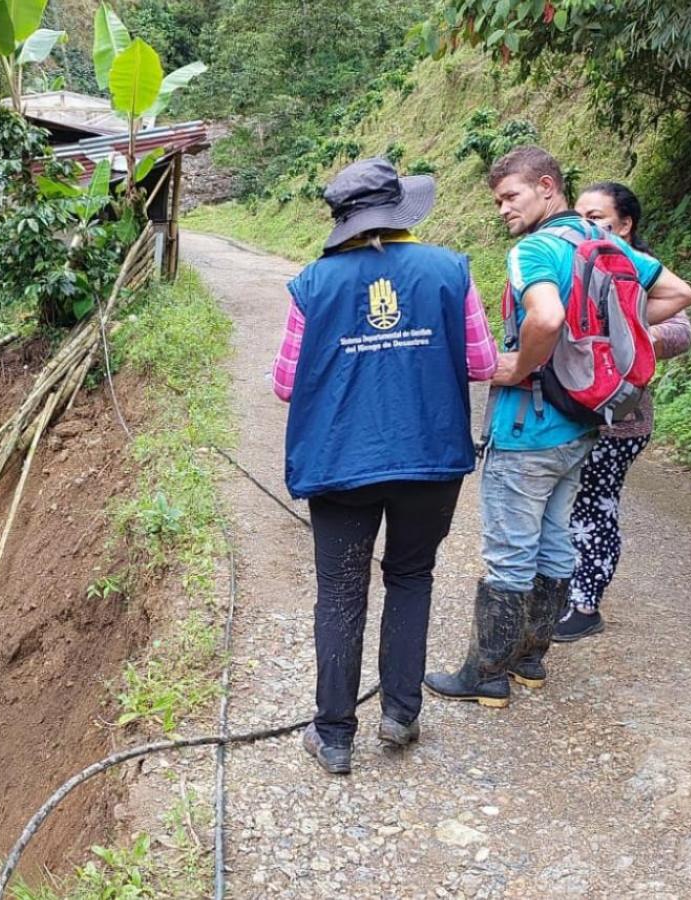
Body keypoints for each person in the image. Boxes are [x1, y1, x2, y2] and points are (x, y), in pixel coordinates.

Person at [425, 148, 691, 708]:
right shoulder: (605, 245)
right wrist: (607, 328)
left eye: (510, 196)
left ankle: (487, 675)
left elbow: (544, 318)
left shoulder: (536, 248)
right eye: (497, 200)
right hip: (584, 423)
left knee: (510, 550)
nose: (502, 209)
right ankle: (531, 660)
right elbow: (679, 293)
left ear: (548, 187)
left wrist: (521, 365)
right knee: (553, 541)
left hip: (529, 426)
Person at [273, 157, 498, 775]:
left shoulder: (312, 284)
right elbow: (481, 362)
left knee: (340, 593)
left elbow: (286, 383)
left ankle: (335, 736)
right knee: (410, 576)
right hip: (429, 460)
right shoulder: (451, 271)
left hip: (342, 464)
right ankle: (400, 715)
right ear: (400, 214)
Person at [554, 182, 691, 641]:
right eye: (581, 216)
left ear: (626, 224)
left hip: (622, 419)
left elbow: (679, 331)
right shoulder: (581, 261)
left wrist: (633, 333)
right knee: (568, 504)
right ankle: (562, 588)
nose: (586, 225)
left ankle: (585, 603)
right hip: (572, 412)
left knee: (595, 504)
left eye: (597, 217)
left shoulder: (645, 273)